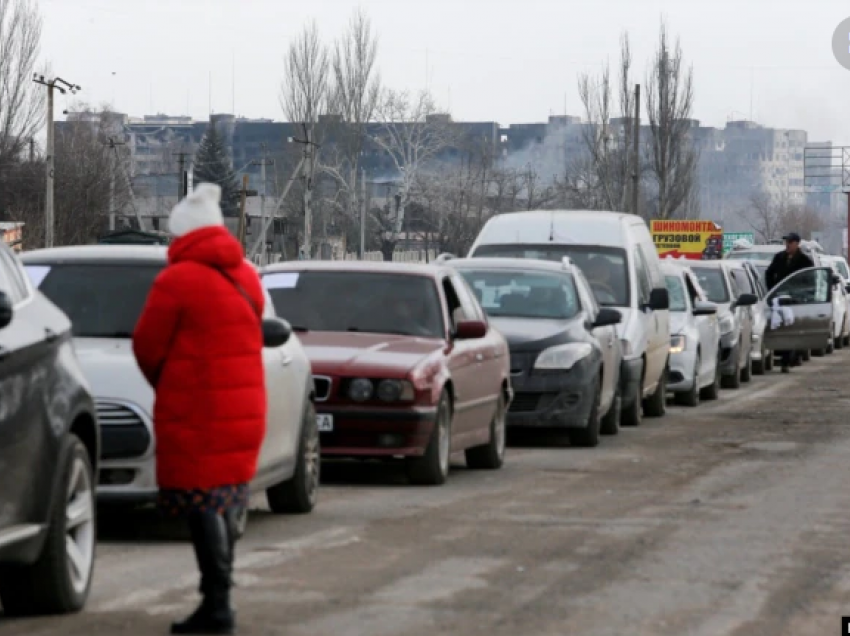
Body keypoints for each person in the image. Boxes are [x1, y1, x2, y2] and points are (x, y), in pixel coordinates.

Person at [133, 183, 266, 635]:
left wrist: (167, 384)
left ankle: (218, 605)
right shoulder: (246, 277)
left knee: (202, 502)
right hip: (246, 408)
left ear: (183, 234)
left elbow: (147, 346)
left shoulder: (177, 280)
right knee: (223, 497)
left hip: (198, 410)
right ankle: (218, 601)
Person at [765, 232, 814, 373]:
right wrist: (772, 289)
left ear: (797, 244)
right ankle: (786, 358)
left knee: (795, 329)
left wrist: (804, 294)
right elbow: (769, 273)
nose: (787, 245)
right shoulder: (779, 257)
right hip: (780, 299)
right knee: (783, 328)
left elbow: (810, 280)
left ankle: (792, 357)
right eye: (786, 242)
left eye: (790, 242)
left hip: (797, 300)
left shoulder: (805, 261)